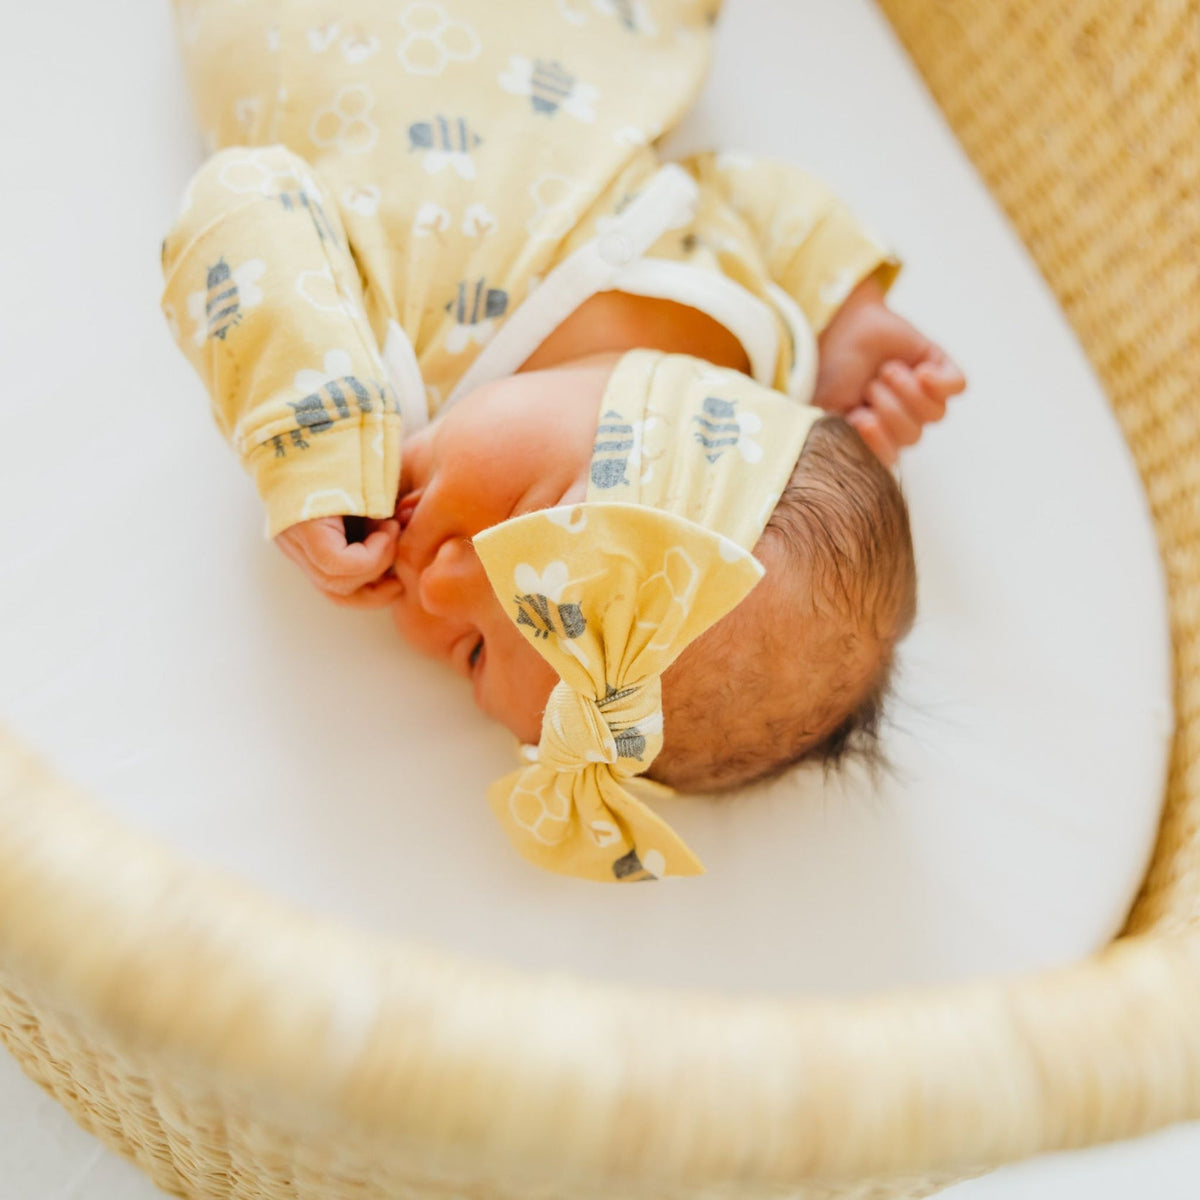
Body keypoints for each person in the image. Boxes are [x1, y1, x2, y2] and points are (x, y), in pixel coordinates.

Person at [161, 0, 965, 880]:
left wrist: (311, 442)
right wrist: (842, 315)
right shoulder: (748, 332)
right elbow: (741, 194)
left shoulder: (383, 389)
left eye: (473, 655)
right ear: (673, 409)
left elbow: (239, 198)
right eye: (515, 534)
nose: (433, 585)